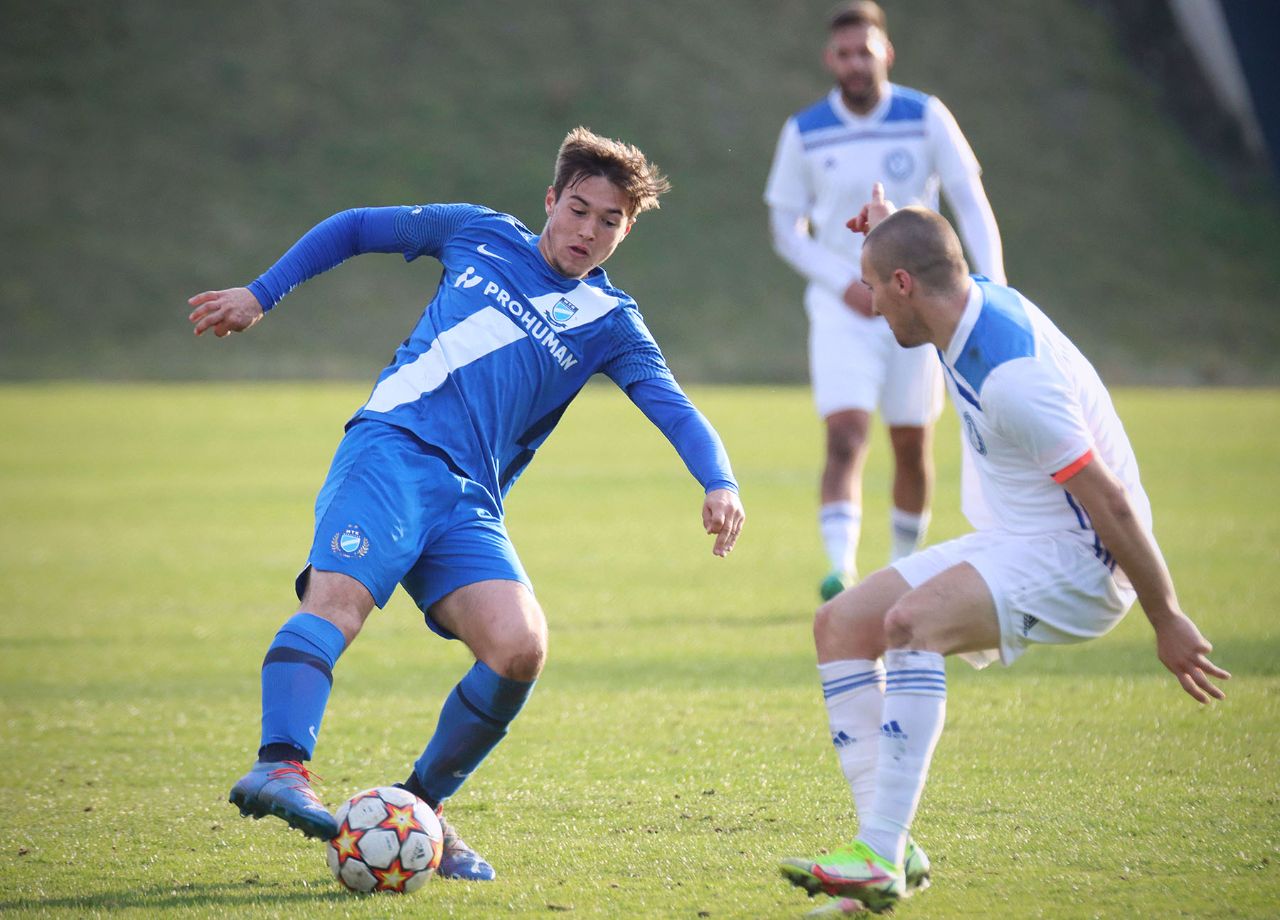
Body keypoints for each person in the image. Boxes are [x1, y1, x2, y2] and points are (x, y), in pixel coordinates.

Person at [187, 126, 746, 881]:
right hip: (392, 450)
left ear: (626, 231)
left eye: (610, 221)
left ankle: (421, 809)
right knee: (339, 605)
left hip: (469, 503)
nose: (588, 230)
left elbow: (673, 407)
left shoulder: (611, 323)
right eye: (578, 209)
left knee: (520, 647)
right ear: (551, 200)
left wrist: (719, 481)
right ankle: (279, 765)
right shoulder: (477, 232)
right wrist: (260, 294)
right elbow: (355, 227)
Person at [777, 185, 1229, 916]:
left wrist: (1167, 615)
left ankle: (879, 853)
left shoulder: (1014, 378)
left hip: (1084, 559)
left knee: (911, 624)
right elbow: (927, 248)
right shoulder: (958, 296)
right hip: (1017, 537)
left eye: (874, 287)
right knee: (842, 625)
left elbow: (1110, 500)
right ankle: (888, 852)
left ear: (904, 284)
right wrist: (890, 221)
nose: (871, 305)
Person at [764, 0, 1005, 601]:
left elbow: (969, 200)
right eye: (844, 54)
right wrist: (842, 281)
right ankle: (841, 571)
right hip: (843, 310)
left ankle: (902, 570)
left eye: (865, 52)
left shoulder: (925, 116)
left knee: (911, 443)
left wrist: (993, 283)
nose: (855, 64)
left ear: (886, 53)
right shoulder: (805, 131)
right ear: (830, 60)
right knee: (845, 435)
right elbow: (785, 229)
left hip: (918, 308)